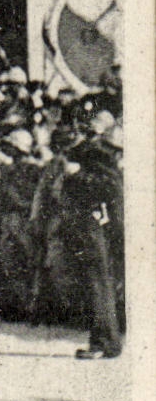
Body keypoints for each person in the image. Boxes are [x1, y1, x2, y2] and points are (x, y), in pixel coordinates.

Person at [56, 95, 123, 359]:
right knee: (93, 282)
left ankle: (105, 342)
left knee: (98, 282)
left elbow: (110, 186)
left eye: (90, 123)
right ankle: (101, 340)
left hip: (94, 222)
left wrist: (77, 175)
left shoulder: (99, 152)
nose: (84, 127)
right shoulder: (88, 149)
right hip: (84, 222)